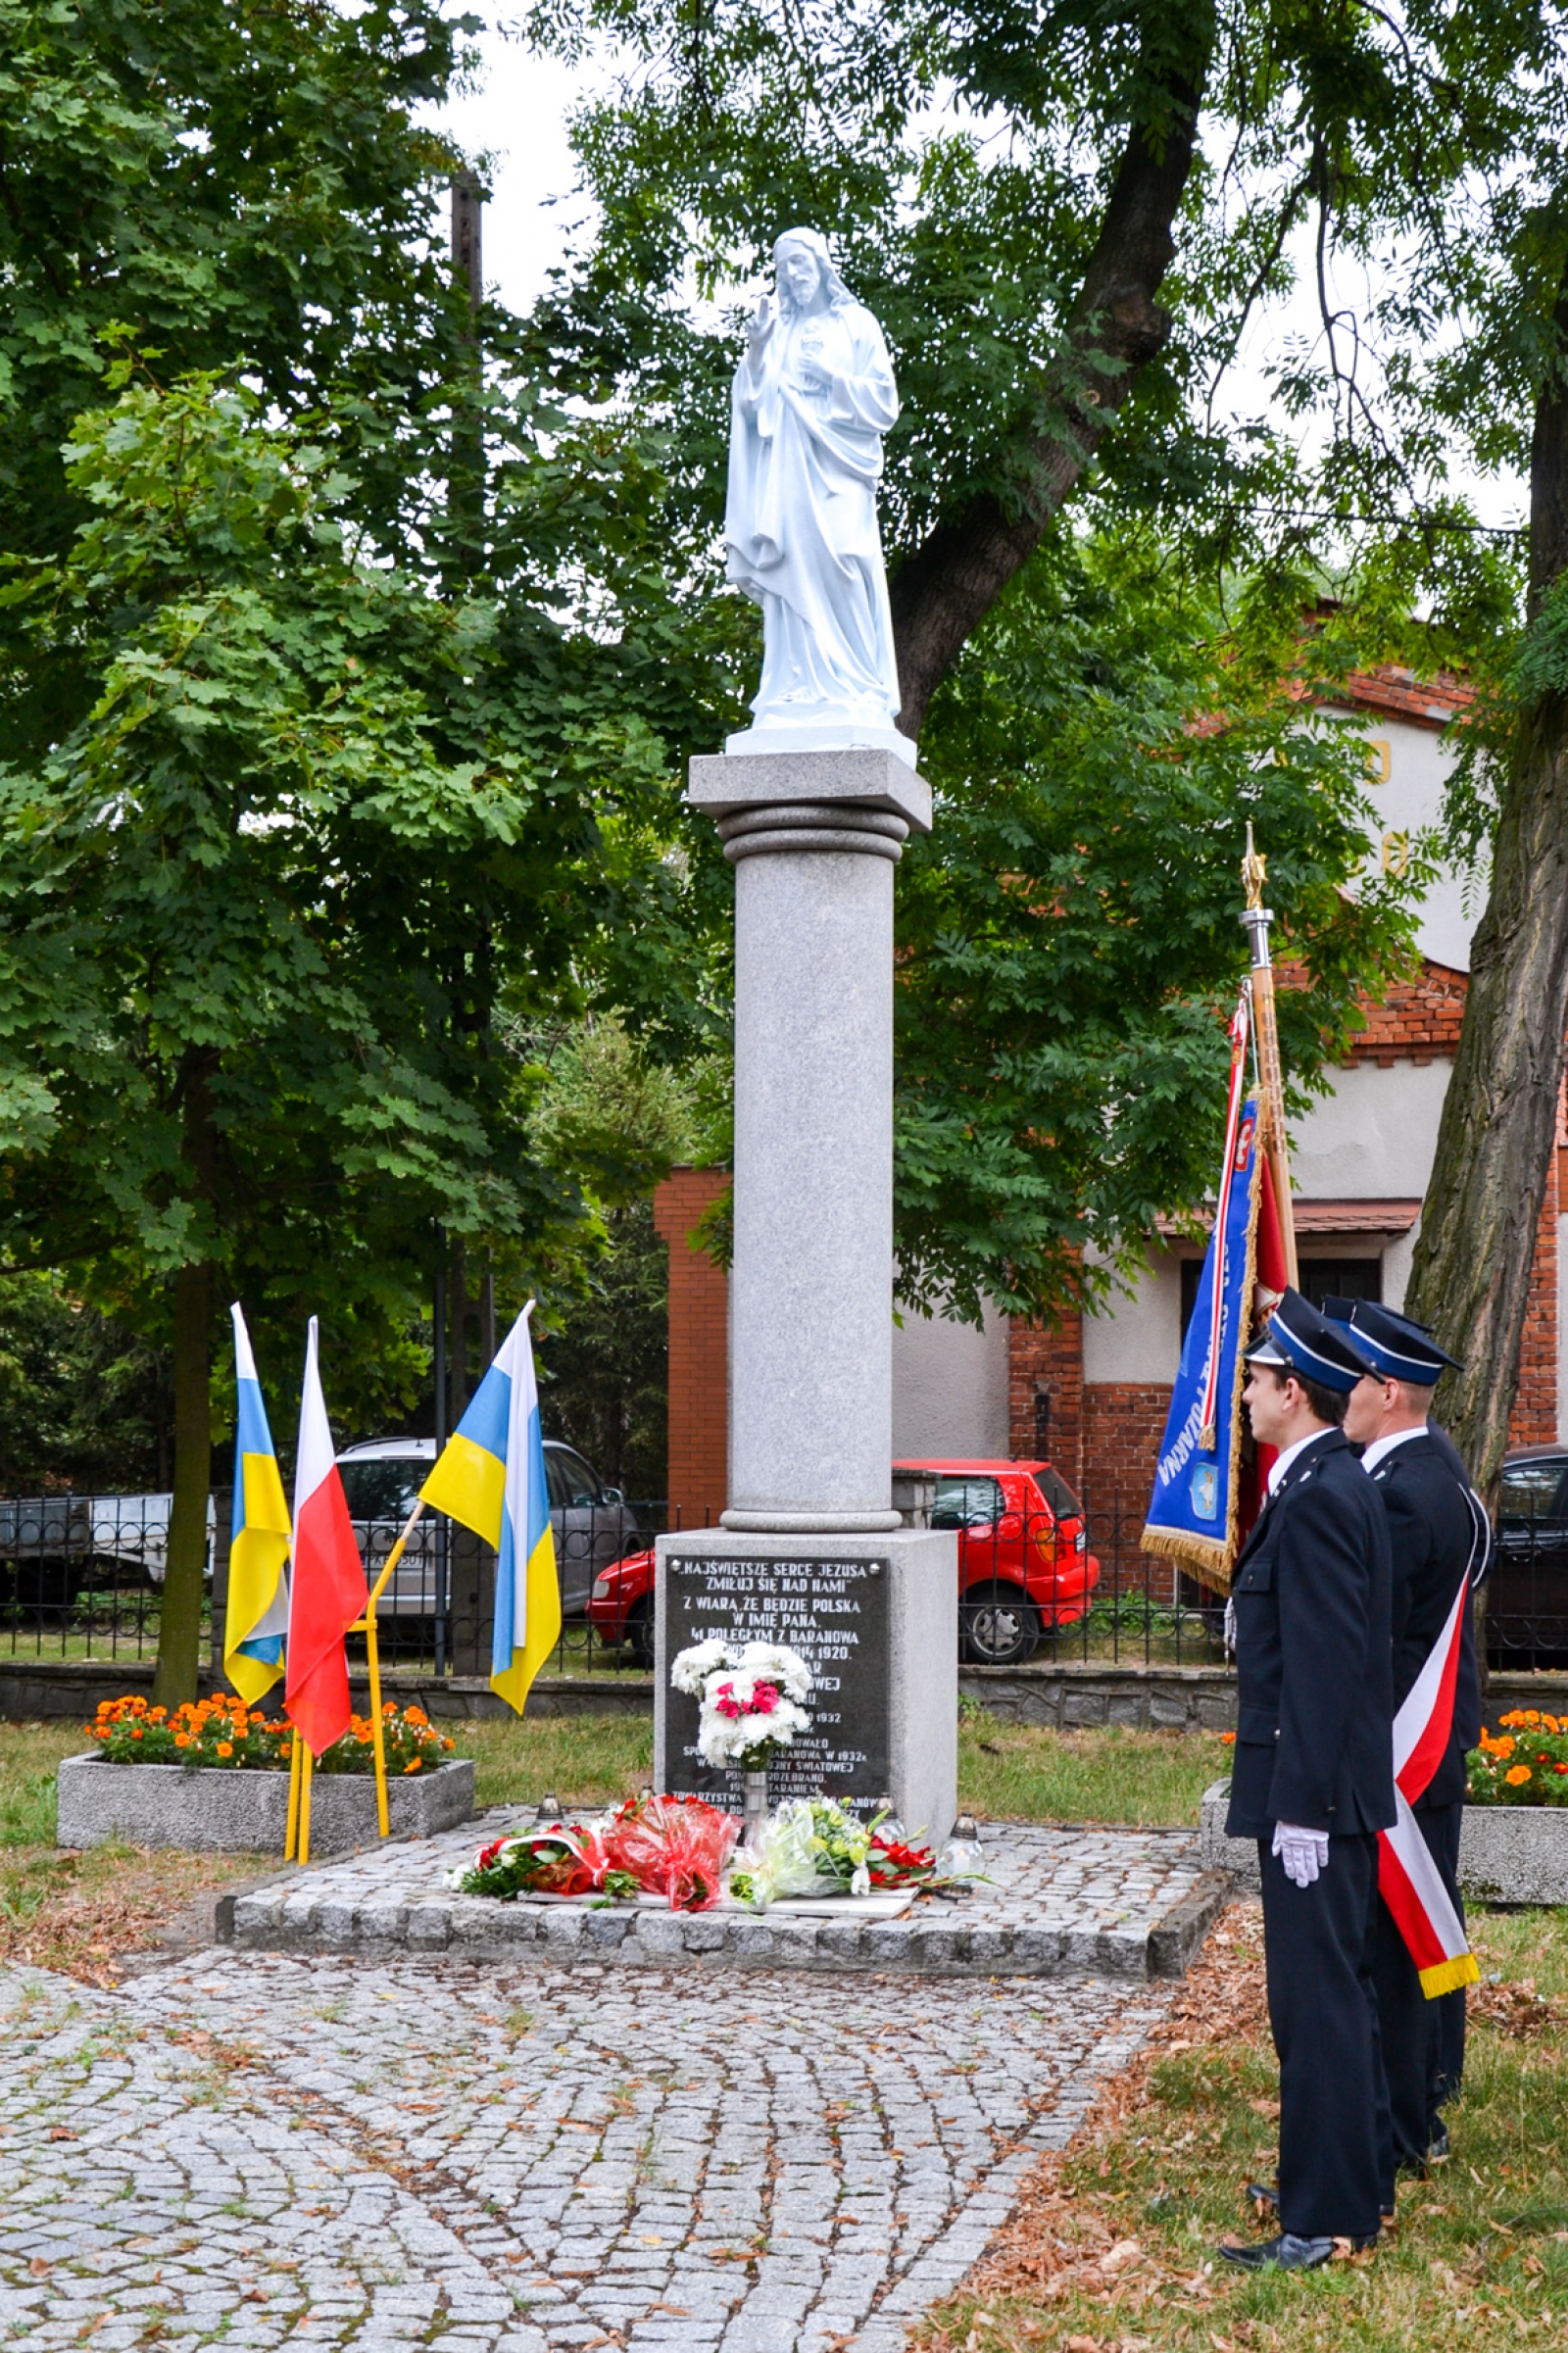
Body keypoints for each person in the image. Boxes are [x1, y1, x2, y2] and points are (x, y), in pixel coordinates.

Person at [1220, 1289, 1396, 2272]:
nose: (1243, 1394)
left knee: (1318, 2000)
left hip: (1314, 1801)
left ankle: (1325, 2217)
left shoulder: (1324, 1491)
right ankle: (1342, 2177)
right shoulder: (1317, 1477)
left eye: (1254, 1379)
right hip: (1315, 1790)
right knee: (1326, 1996)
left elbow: (1327, 1665)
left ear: (1293, 1390)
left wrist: (1303, 1806)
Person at [1328, 1297, 1488, 2189]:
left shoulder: (1400, 1496)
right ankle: (1430, 2081)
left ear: (1386, 1390)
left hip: (1402, 1748)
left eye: (1350, 1378)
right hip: (1432, 1737)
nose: (1337, 1392)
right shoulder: (1442, 1471)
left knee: (1397, 1933)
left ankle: (1407, 2111)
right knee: (1427, 1914)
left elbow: (1375, 1642)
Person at [725, 227, 903, 739]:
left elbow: (884, 405)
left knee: (846, 559)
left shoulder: (858, 325)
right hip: (790, 470)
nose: (792, 277)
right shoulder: (778, 330)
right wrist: (758, 351)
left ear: (823, 266)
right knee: (793, 570)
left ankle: (854, 687)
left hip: (841, 467)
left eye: (800, 265)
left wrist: (830, 378)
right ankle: (796, 688)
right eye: (783, 270)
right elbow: (753, 405)